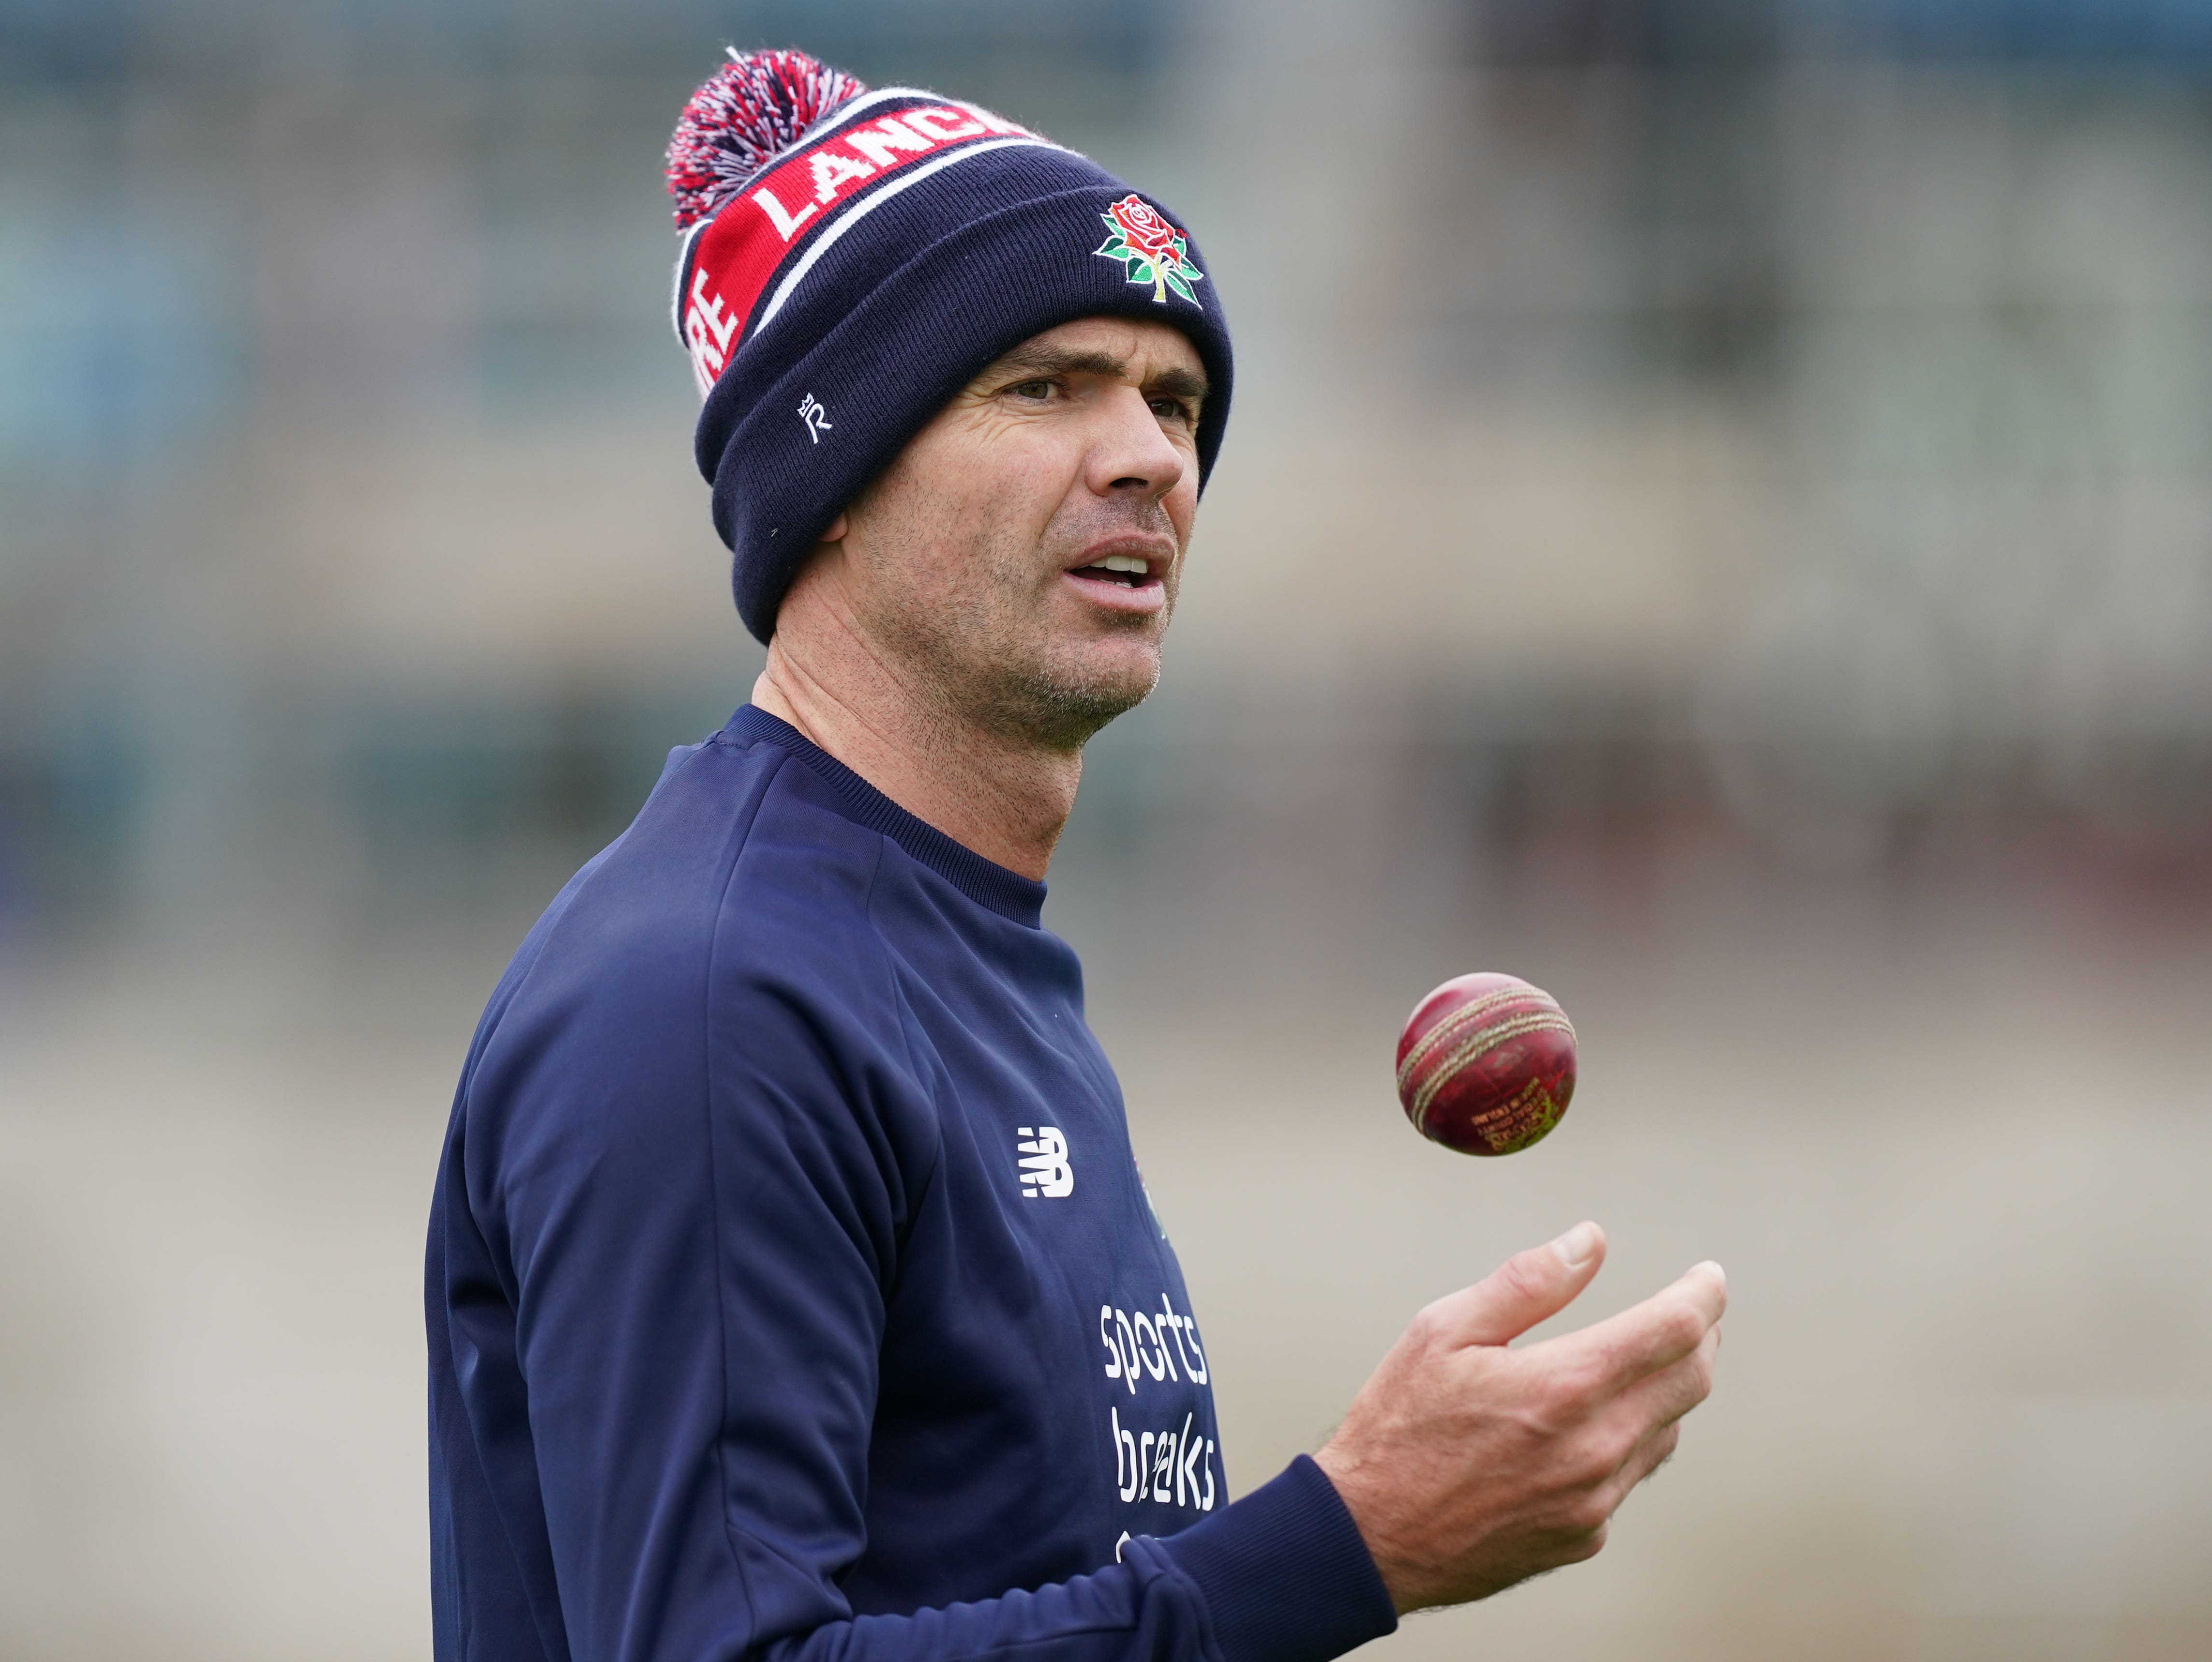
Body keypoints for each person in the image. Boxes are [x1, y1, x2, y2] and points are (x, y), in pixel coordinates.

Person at [424, 50, 1725, 1662]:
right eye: (1045, 385)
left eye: (1176, 403)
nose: (1152, 458)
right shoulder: (710, 994)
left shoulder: (974, 967)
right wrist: (1349, 1543)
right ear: (830, 472)